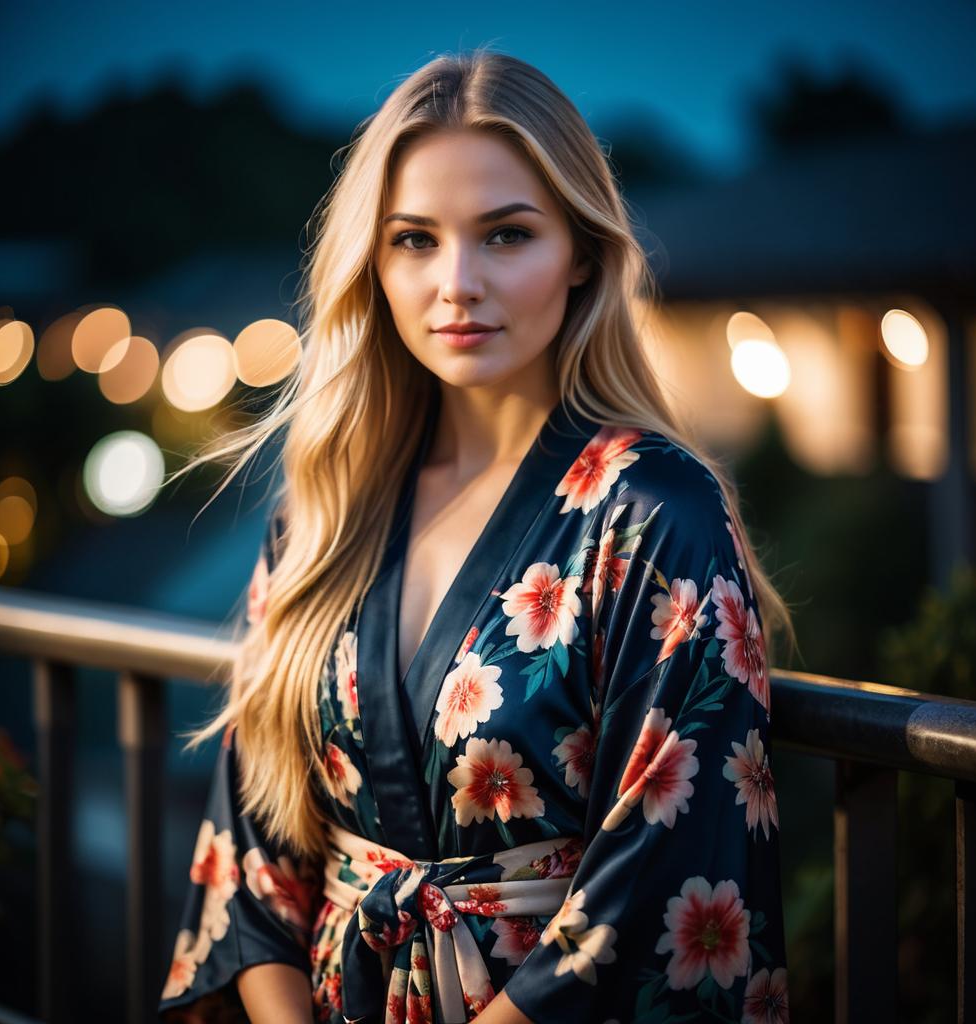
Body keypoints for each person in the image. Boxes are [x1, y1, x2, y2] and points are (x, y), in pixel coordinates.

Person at [158, 48, 794, 1024]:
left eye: (506, 234)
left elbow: (659, 880)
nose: (456, 282)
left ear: (581, 253)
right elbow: (252, 848)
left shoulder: (656, 514)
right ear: (372, 261)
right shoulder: (326, 509)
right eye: (414, 239)